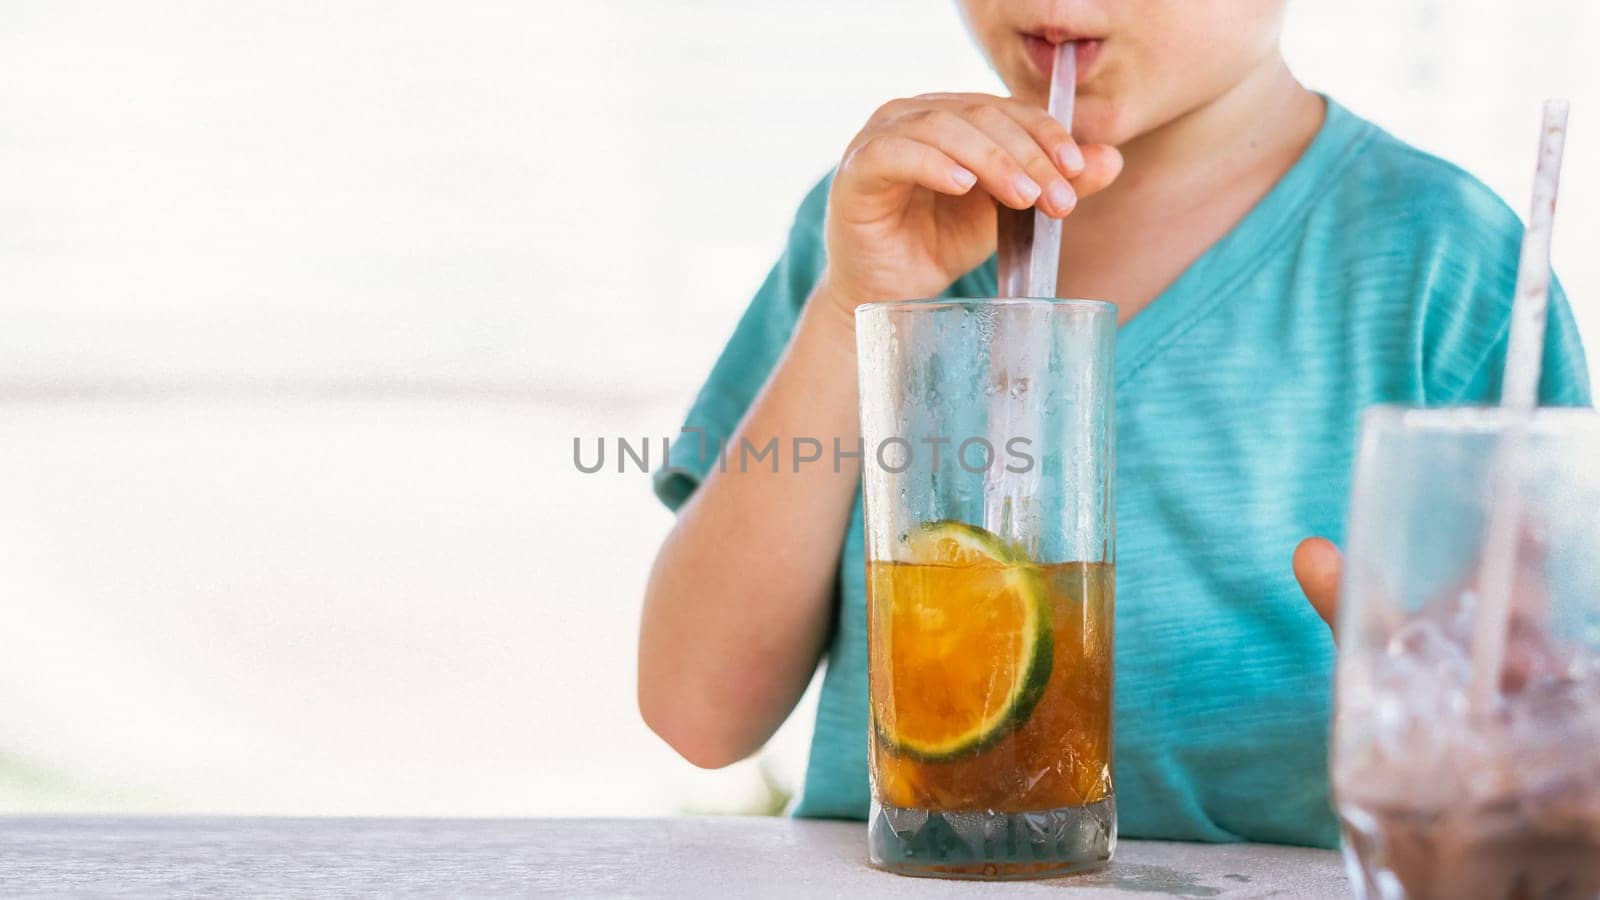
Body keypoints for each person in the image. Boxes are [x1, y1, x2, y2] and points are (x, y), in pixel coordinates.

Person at [637, 0, 1590, 847]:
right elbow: (698, 712)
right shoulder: (878, 226)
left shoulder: (1448, 265)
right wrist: (855, 307)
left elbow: (1550, 740)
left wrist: (1455, 696)